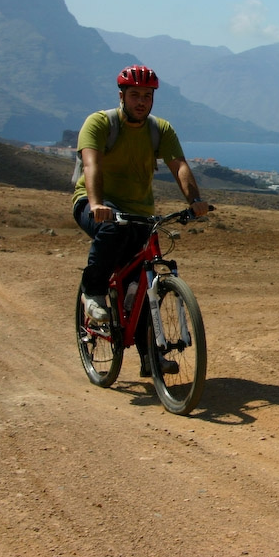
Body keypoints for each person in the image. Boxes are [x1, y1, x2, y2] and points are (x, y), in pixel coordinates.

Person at [72, 64, 209, 377]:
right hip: (94, 204)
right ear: (121, 95)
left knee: (145, 283)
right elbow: (91, 165)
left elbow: (179, 165)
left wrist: (194, 201)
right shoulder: (100, 123)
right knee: (110, 230)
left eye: (147, 96)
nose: (141, 101)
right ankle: (93, 292)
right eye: (135, 95)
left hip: (140, 213)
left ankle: (151, 357)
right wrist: (96, 203)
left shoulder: (160, 130)